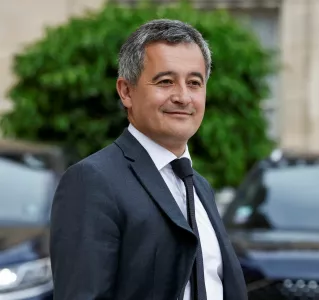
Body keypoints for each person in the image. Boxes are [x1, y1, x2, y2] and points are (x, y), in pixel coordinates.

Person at [49, 19, 247, 300]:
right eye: (165, 82)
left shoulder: (200, 187)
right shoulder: (93, 181)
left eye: (194, 83)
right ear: (126, 91)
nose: (182, 96)